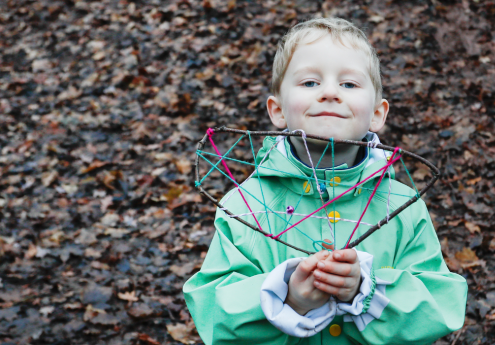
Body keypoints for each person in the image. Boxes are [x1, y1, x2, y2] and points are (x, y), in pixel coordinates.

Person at [183, 17, 467, 344]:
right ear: (277, 111)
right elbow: (213, 314)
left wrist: (364, 289)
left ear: (377, 113)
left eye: (349, 84)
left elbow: (439, 308)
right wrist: (287, 298)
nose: (330, 92)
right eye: (309, 83)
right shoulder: (243, 207)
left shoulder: (403, 208)